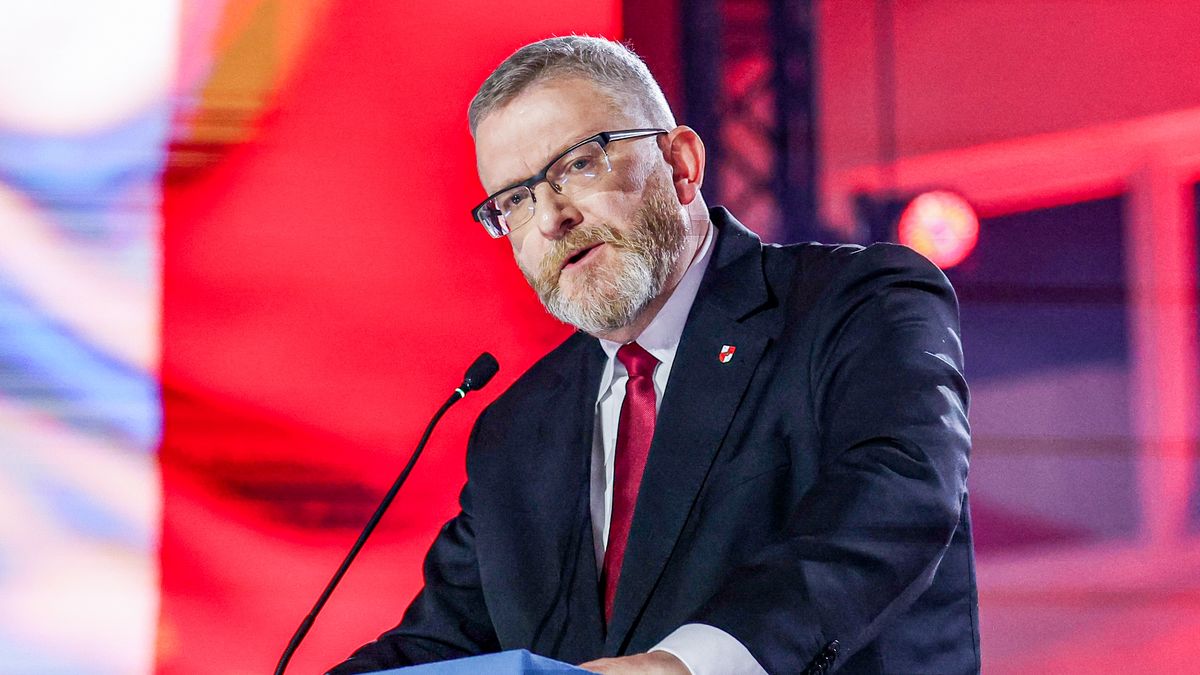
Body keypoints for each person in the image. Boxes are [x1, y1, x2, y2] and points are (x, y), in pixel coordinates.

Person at [329, 36, 977, 675]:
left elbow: (894, 499)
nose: (551, 218)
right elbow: (439, 644)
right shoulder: (515, 431)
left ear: (681, 164)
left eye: (578, 165)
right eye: (515, 200)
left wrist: (683, 667)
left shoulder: (856, 302)